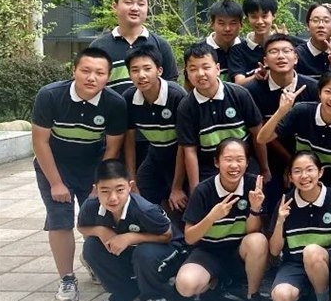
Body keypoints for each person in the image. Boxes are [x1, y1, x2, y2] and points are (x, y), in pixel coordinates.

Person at [31, 47, 127, 301]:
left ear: (108, 77)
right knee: (60, 219)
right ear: (74, 70)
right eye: (85, 70)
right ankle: (67, 278)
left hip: (92, 167)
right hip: (55, 165)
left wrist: (99, 184)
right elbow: (40, 142)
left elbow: (113, 147)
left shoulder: (114, 103)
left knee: (97, 217)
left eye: (99, 73)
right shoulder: (50, 95)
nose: (91, 78)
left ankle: (94, 261)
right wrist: (56, 183)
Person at [176, 140, 270, 301]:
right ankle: (214, 284)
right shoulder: (203, 190)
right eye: (228, 159)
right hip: (208, 251)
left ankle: (253, 296)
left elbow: (253, 231)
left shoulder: (253, 185)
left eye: (240, 159)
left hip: (238, 252)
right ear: (217, 162)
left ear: (247, 163)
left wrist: (255, 208)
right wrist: (212, 217)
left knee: (258, 240)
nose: (234, 165)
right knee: (186, 286)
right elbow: (189, 237)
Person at [77, 160, 179, 301]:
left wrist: (131, 237)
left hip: (168, 252)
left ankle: (156, 294)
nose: (113, 198)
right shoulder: (91, 206)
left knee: (144, 253)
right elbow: (81, 227)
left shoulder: (144, 209)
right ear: (96, 189)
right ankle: (125, 293)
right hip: (132, 253)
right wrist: (100, 230)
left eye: (119, 190)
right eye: (105, 191)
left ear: (130, 186)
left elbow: (167, 236)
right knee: (91, 246)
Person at [268, 151, 331, 301]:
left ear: (320, 172)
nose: (304, 176)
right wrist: (280, 221)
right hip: (295, 264)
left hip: (327, 263)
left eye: (309, 170)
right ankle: (308, 295)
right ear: (290, 177)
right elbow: (274, 251)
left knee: (311, 251)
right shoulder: (285, 202)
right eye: (297, 171)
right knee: (281, 297)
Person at [258, 70, 331, 198]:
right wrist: (281, 111)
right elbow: (262, 139)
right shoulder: (302, 111)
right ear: (319, 93)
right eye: (328, 91)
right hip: (303, 181)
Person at [176, 42, 268, 188]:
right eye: (193, 69)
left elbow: (258, 134)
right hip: (209, 168)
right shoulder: (186, 106)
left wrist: (264, 168)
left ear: (217, 69)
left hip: (244, 163)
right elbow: (190, 150)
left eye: (206, 67)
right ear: (186, 73)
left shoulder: (239, 94)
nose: (200, 73)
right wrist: (195, 189)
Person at [246, 33, 319, 208]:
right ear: (265, 60)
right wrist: (288, 162)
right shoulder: (252, 91)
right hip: (268, 159)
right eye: (274, 52)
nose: (281, 56)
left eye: (286, 51)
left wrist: (297, 164)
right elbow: (260, 133)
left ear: (296, 58)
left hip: (308, 157)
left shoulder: (312, 88)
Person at [121, 46, 187, 212]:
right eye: (135, 70)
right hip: (155, 155)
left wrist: (177, 187)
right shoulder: (129, 98)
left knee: (179, 205)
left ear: (159, 70)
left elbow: (185, 144)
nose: (141, 75)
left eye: (147, 68)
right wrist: (132, 181)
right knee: (139, 202)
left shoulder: (176, 95)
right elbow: (129, 141)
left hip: (181, 157)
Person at [89, 0, 179, 94]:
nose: (135, 8)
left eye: (141, 4)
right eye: (128, 2)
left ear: (147, 8)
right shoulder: (98, 47)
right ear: (115, 6)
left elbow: (170, 86)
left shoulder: (161, 45)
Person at [230, 0, 283, 85]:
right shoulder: (237, 51)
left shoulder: (285, 46)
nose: (260, 21)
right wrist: (257, 76)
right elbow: (239, 83)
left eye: (264, 16)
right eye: (254, 17)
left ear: (274, 16)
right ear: (247, 18)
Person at [294, 2, 331, 79]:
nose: (321, 25)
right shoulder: (297, 55)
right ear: (307, 26)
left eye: (326, 21)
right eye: (315, 20)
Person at [205, 0, 244, 83]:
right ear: (212, 24)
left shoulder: (246, 49)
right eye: (221, 23)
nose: (227, 29)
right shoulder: (201, 51)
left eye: (233, 23)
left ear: (241, 24)